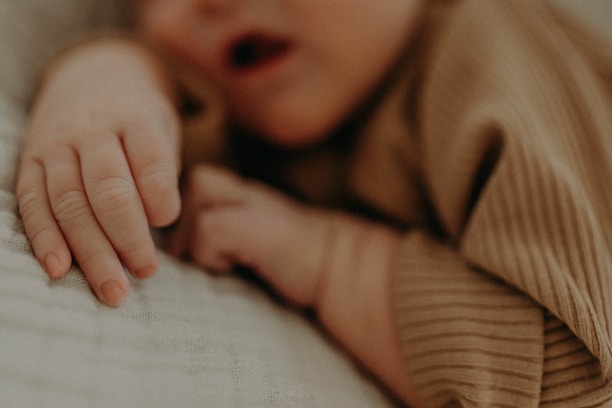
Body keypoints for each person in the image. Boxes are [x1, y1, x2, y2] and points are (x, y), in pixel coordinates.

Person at [15, 0, 612, 406]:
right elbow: (179, 122)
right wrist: (105, 78)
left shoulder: (490, 48)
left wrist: (333, 260)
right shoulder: (294, 103)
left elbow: (582, 376)